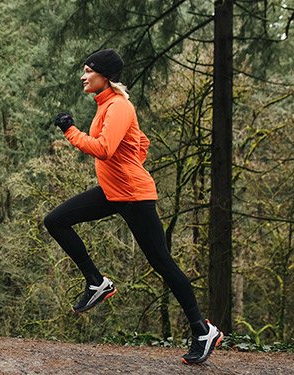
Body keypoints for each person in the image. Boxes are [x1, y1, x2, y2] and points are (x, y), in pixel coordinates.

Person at [45, 48, 222, 365]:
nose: (83, 77)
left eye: (88, 70)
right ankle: (97, 282)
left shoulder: (119, 107)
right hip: (113, 192)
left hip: (134, 197)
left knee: (163, 264)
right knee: (55, 221)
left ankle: (202, 330)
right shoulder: (105, 107)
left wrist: (70, 131)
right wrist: (128, 163)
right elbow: (140, 143)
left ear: (105, 75)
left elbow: (104, 148)